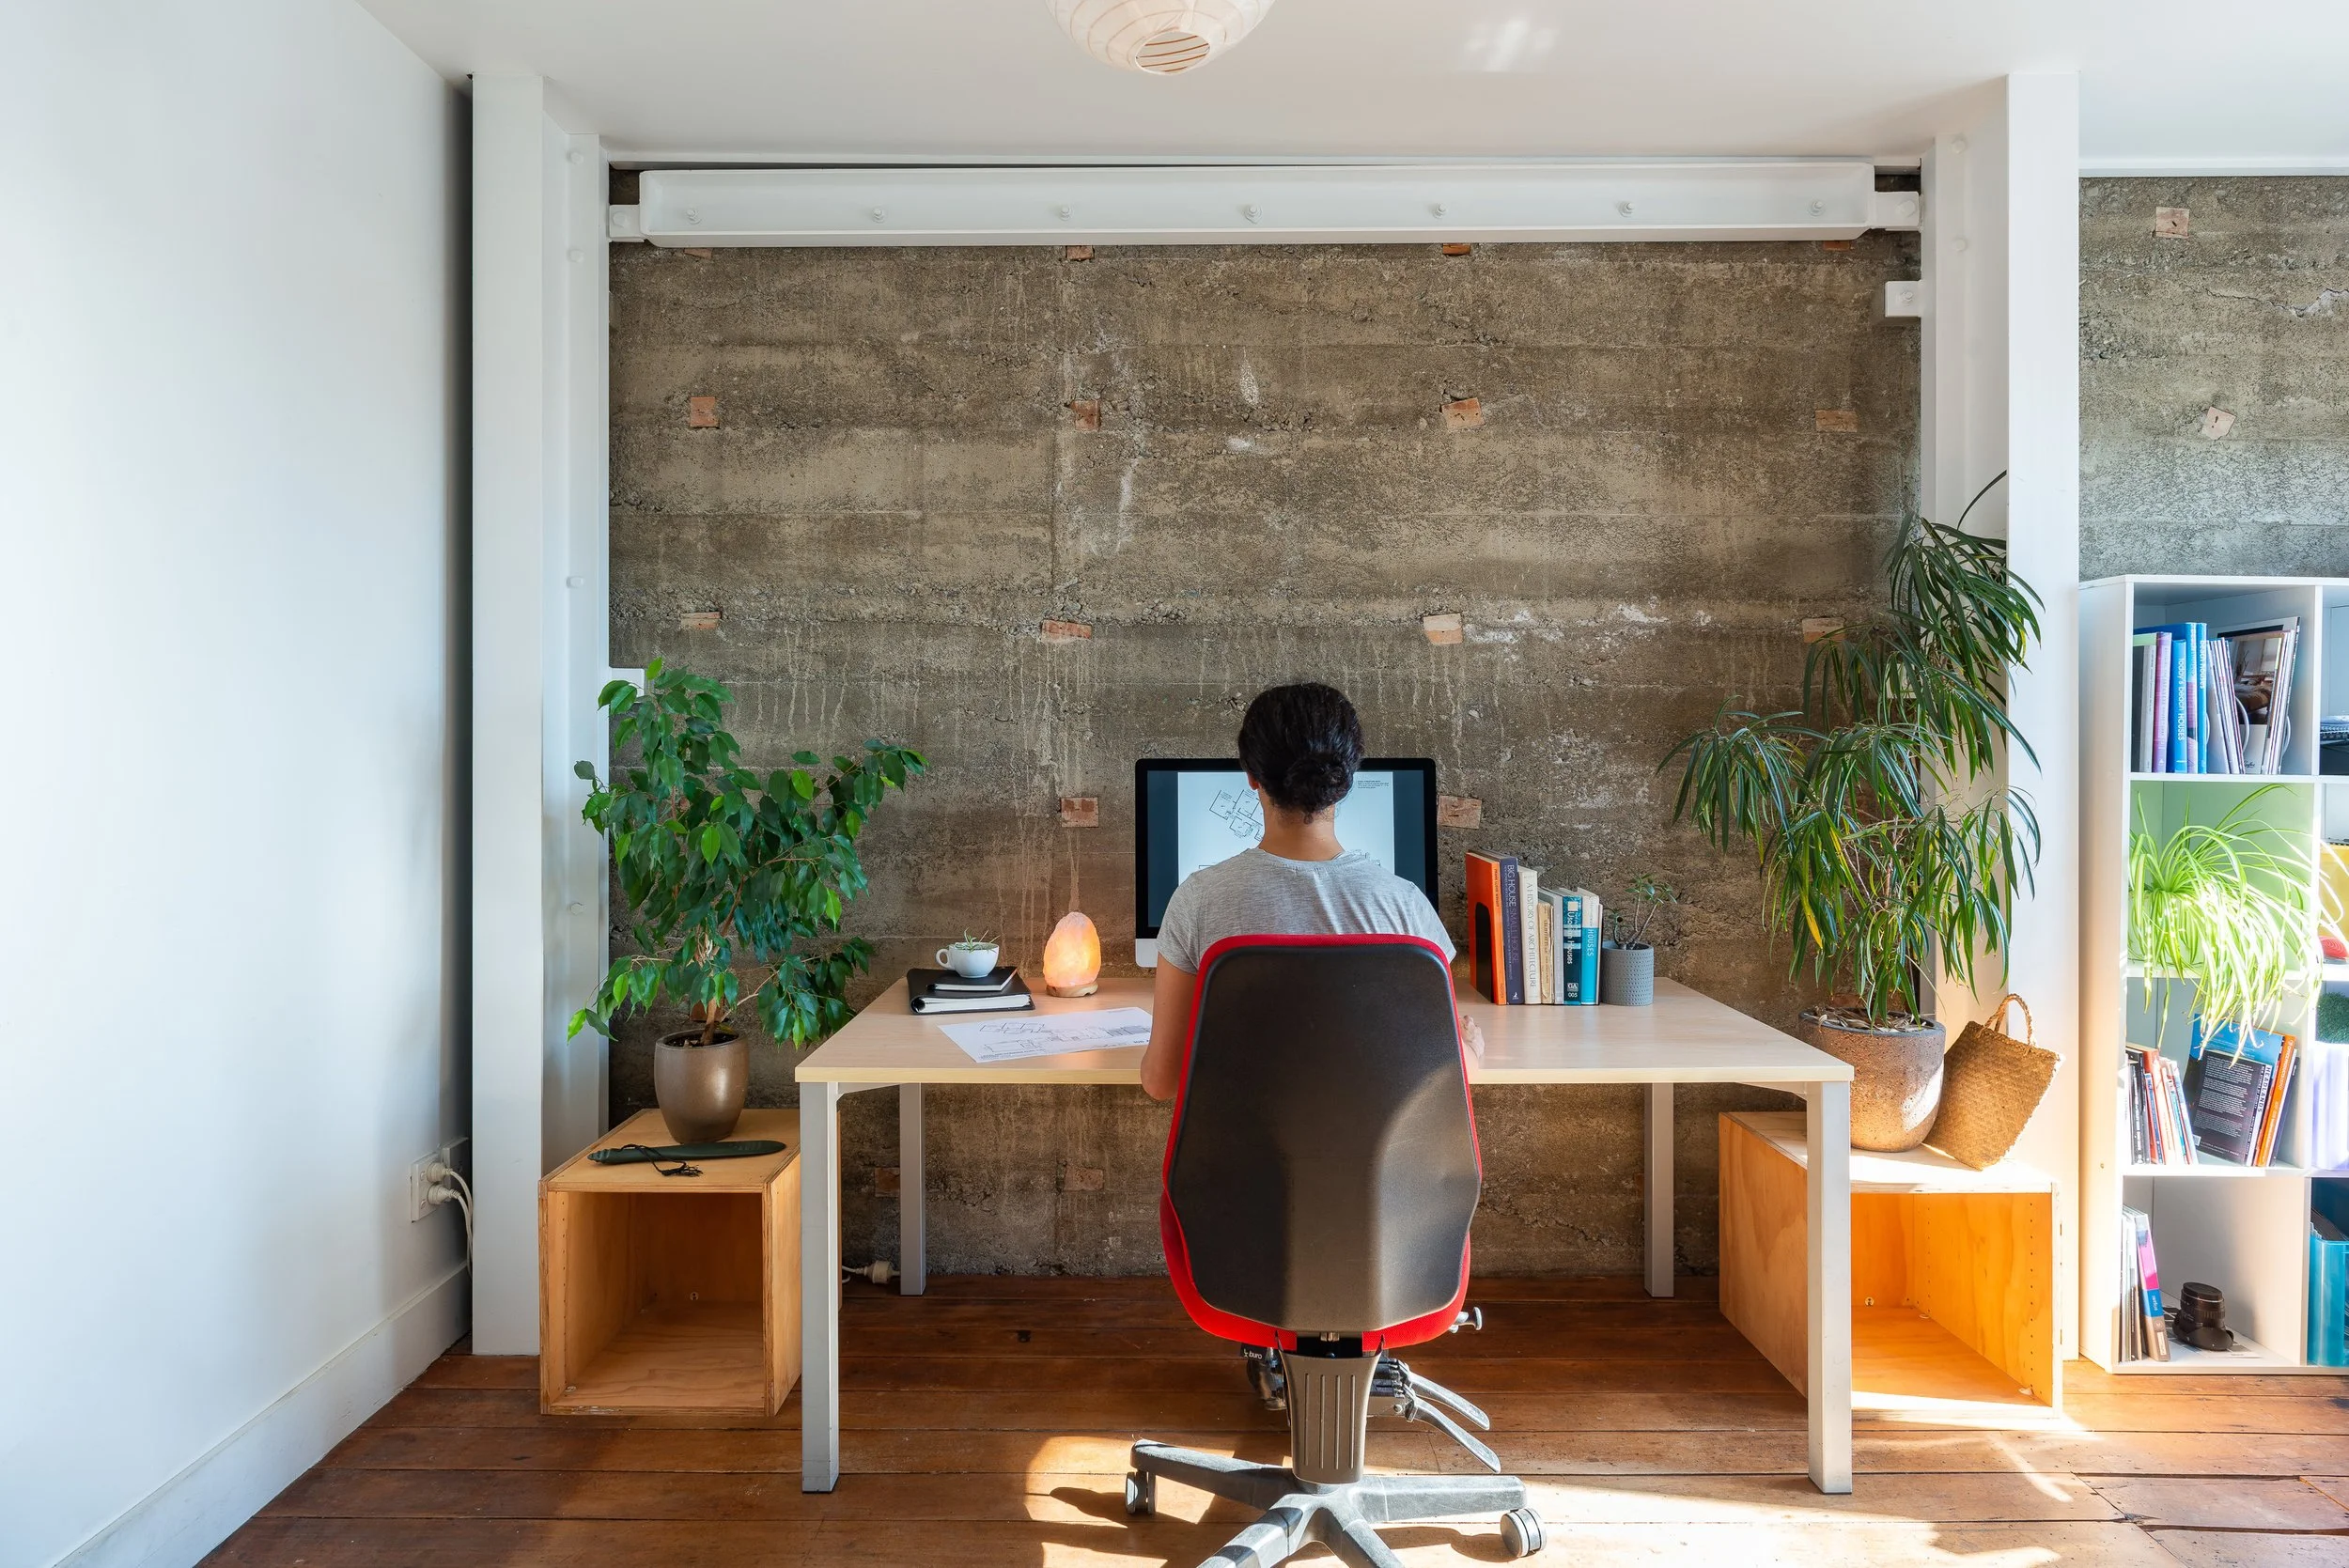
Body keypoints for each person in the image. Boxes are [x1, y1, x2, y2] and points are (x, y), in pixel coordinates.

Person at [1139, 681, 1479, 1102]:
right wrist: (1471, 1049)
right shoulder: (1405, 905)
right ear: (1348, 777)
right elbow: (1444, 1070)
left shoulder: (1198, 900)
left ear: (1251, 776)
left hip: (1237, 1165)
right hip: (1375, 1167)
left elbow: (1162, 1083)